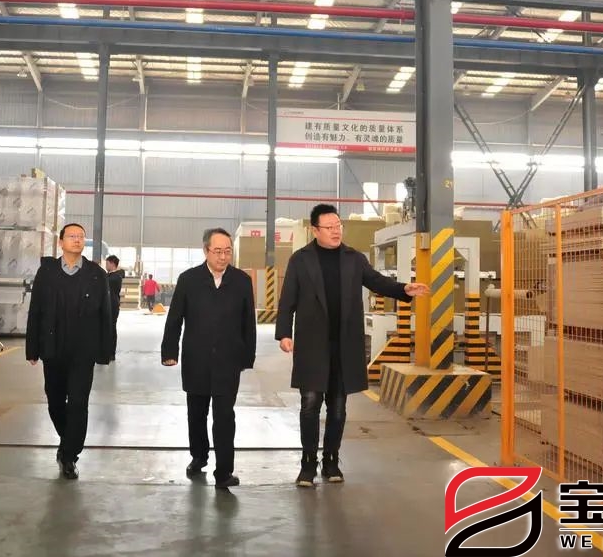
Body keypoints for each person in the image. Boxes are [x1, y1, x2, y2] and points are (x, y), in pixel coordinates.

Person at [275, 204, 429, 487]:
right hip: (312, 344)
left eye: (338, 226)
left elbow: (376, 282)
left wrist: (403, 289)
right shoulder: (301, 260)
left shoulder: (353, 258)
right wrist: (284, 332)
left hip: (344, 345)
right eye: (329, 227)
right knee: (310, 405)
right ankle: (308, 464)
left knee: (337, 407)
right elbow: (288, 300)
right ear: (315, 230)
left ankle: (331, 461)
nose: (336, 231)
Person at [161, 228, 256, 489]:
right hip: (197, 358)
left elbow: (248, 321)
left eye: (228, 251)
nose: (223, 257)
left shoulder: (241, 281)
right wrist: (169, 352)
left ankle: (224, 472)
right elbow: (175, 318)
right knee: (197, 413)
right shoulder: (189, 279)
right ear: (206, 251)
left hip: (228, 360)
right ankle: (199, 456)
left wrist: (247, 356)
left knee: (224, 416)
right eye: (218, 251)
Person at [26, 223, 115, 479]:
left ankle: (69, 455)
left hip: (83, 352)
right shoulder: (47, 272)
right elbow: (36, 311)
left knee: (78, 403)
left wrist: (105, 351)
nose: (77, 240)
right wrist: (32, 348)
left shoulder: (96, 274)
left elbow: (105, 314)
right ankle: (68, 440)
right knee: (55, 402)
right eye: (72, 236)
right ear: (61, 242)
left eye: (81, 237)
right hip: (53, 349)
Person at [105, 255, 125, 350]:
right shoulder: (110, 275)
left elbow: (106, 282)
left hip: (112, 305)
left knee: (111, 328)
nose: (106, 266)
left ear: (112, 264)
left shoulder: (116, 277)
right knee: (107, 328)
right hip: (108, 304)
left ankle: (111, 351)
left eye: (107, 264)